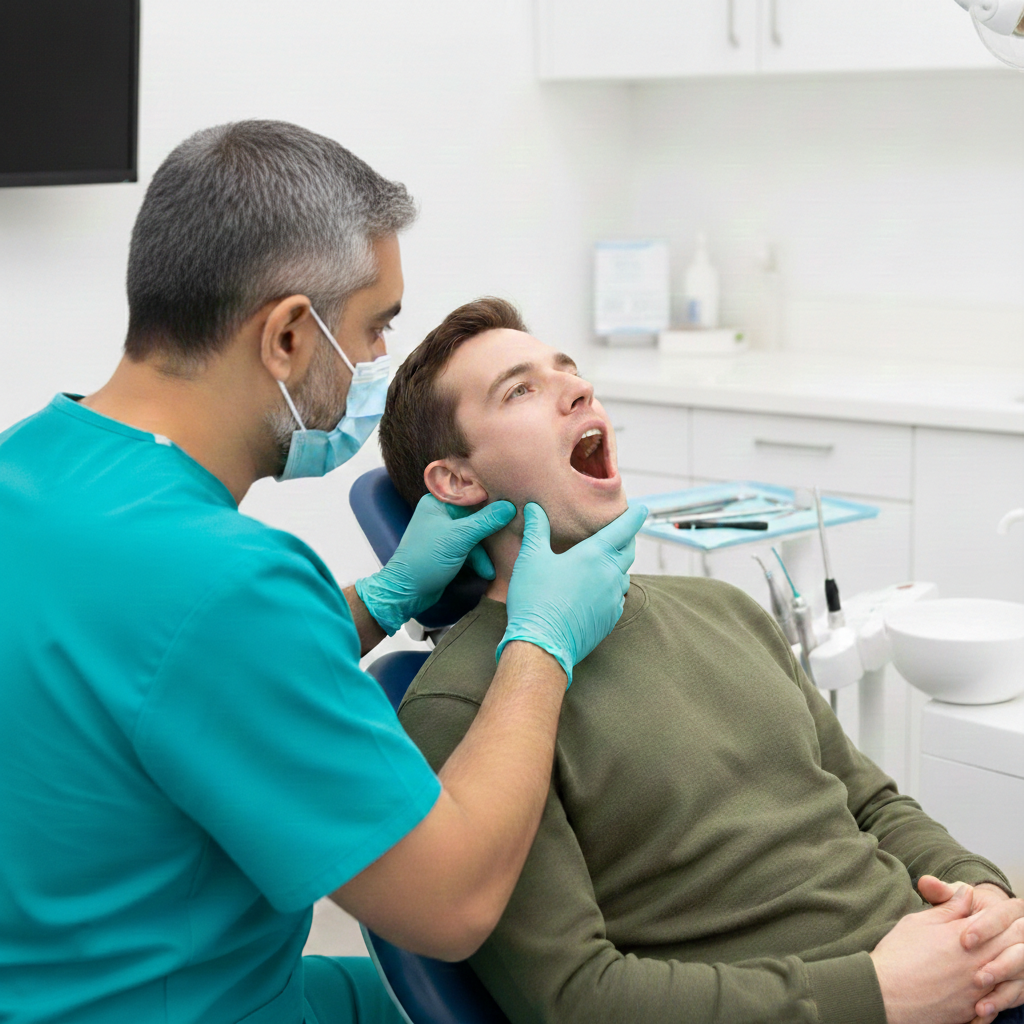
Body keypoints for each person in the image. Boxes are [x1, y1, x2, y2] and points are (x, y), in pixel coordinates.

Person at [0, 124, 648, 1024]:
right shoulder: (230, 583)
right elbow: (450, 904)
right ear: (290, 336)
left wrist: (383, 602)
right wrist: (539, 641)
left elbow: (161, 678)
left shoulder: (29, 466)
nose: (380, 358)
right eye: (375, 326)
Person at [378, 296, 1024, 1024]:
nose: (578, 389)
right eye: (521, 390)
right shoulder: (465, 708)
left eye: (571, 372)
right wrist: (877, 995)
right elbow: (576, 1000)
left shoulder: (722, 608)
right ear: (458, 483)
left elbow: (871, 804)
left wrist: (989, 909)